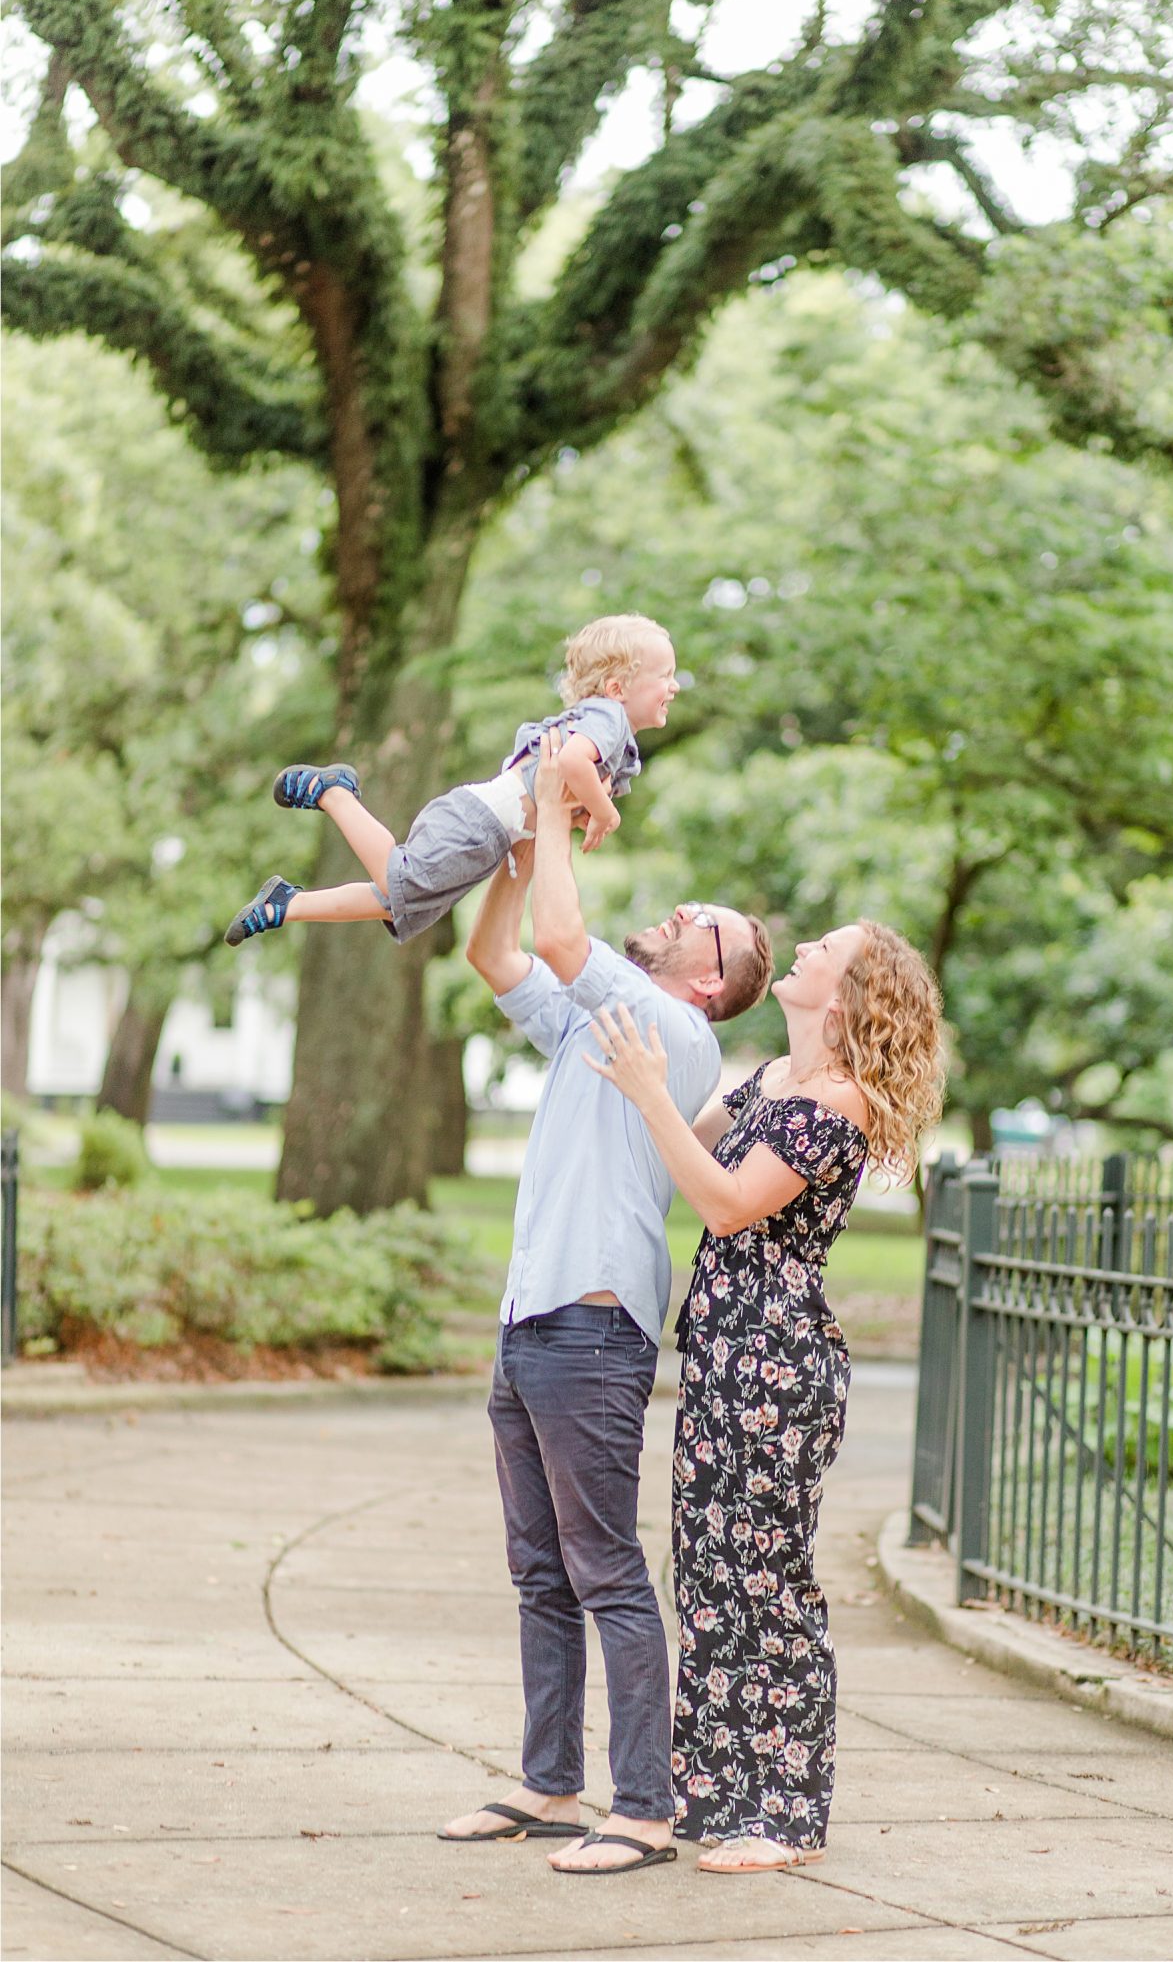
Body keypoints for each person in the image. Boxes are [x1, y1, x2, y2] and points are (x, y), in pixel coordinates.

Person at [439, 730, 774, 1875]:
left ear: (709, 982)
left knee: (605, 1570)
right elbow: (496, 951)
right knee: (540, 1569)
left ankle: (643, 1804)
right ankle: (547, 1781)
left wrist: (546, 789)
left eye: (704, 920)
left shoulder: (668, 1030)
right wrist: (527, 845)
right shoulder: (599, 1020)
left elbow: (560, 938)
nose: (682, 908)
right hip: (531, 1315)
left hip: (589, 1323)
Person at [582, 919, 945, 1873]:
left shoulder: (840, 1103)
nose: (805, 950)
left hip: (778, 1364)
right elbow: (677, 1160)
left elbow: (729, 1201)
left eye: (826, 947)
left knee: (767, 1580)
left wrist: (654, 1093)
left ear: (853, 991)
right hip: (720, 1353)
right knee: (704, 1574)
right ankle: (713, 1788)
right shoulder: (768, 1082)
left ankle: (784, 1813)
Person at [223, 613, 678, 947]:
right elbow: (574, 764)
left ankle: (285, 905)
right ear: (618, 688)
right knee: (401, 878)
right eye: (666, 676)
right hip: (481, 823)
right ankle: (334, 793)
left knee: (395, 899)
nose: (675, 687)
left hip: (491, 832)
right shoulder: (609, 718)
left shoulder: (611, 729)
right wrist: (605, 813)